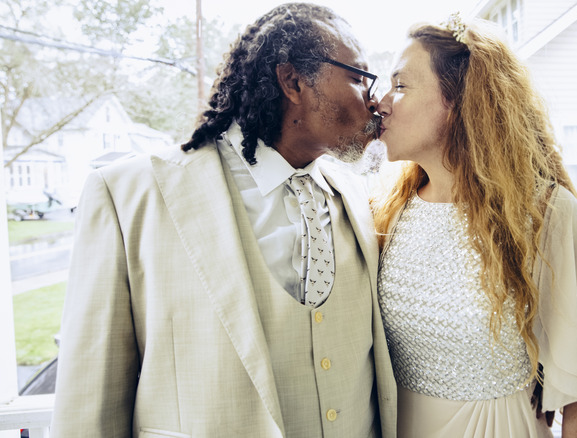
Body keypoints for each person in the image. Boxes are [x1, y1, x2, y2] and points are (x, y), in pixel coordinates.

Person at [51, 3, 396, 437]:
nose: (375, 99)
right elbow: (89, 402)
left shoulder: (359, 196)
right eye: (359, 76)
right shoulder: (129, 195)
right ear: (293, 82)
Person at [372, 14, 577, 438]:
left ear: (459, 101)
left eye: (401, 85)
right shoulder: (387, 212)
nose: (380, 102)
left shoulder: (546, 215)